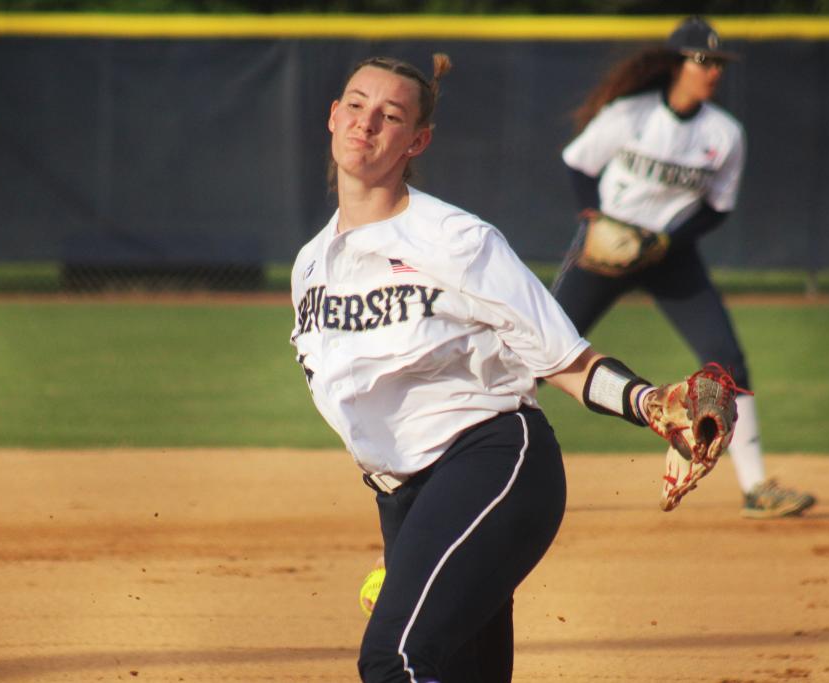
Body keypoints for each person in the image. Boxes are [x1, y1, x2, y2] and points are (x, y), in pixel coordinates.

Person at [290, 53, 729, 683]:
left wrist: (650, 404)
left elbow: (563, 358)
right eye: (355, 106)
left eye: (390, 116)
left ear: (418, 140)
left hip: (492, 464)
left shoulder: (457, 242)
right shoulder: (311, 265)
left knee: (393, 661)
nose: (366, 124)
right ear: (333, 117)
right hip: (404, 499)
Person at [551, 16, 815, 520]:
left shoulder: (725, 134)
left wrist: (670, 240)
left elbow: (718, 207)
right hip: (608, 247)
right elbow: (577, 164)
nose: (712, 70)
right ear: (677, 64)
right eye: (703, 60)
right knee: (544, 348)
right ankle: (459, 456)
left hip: (670, 254)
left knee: (726, 358)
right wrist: (594, 218)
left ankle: (757, 486)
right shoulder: (629, 115)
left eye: (718, 62)